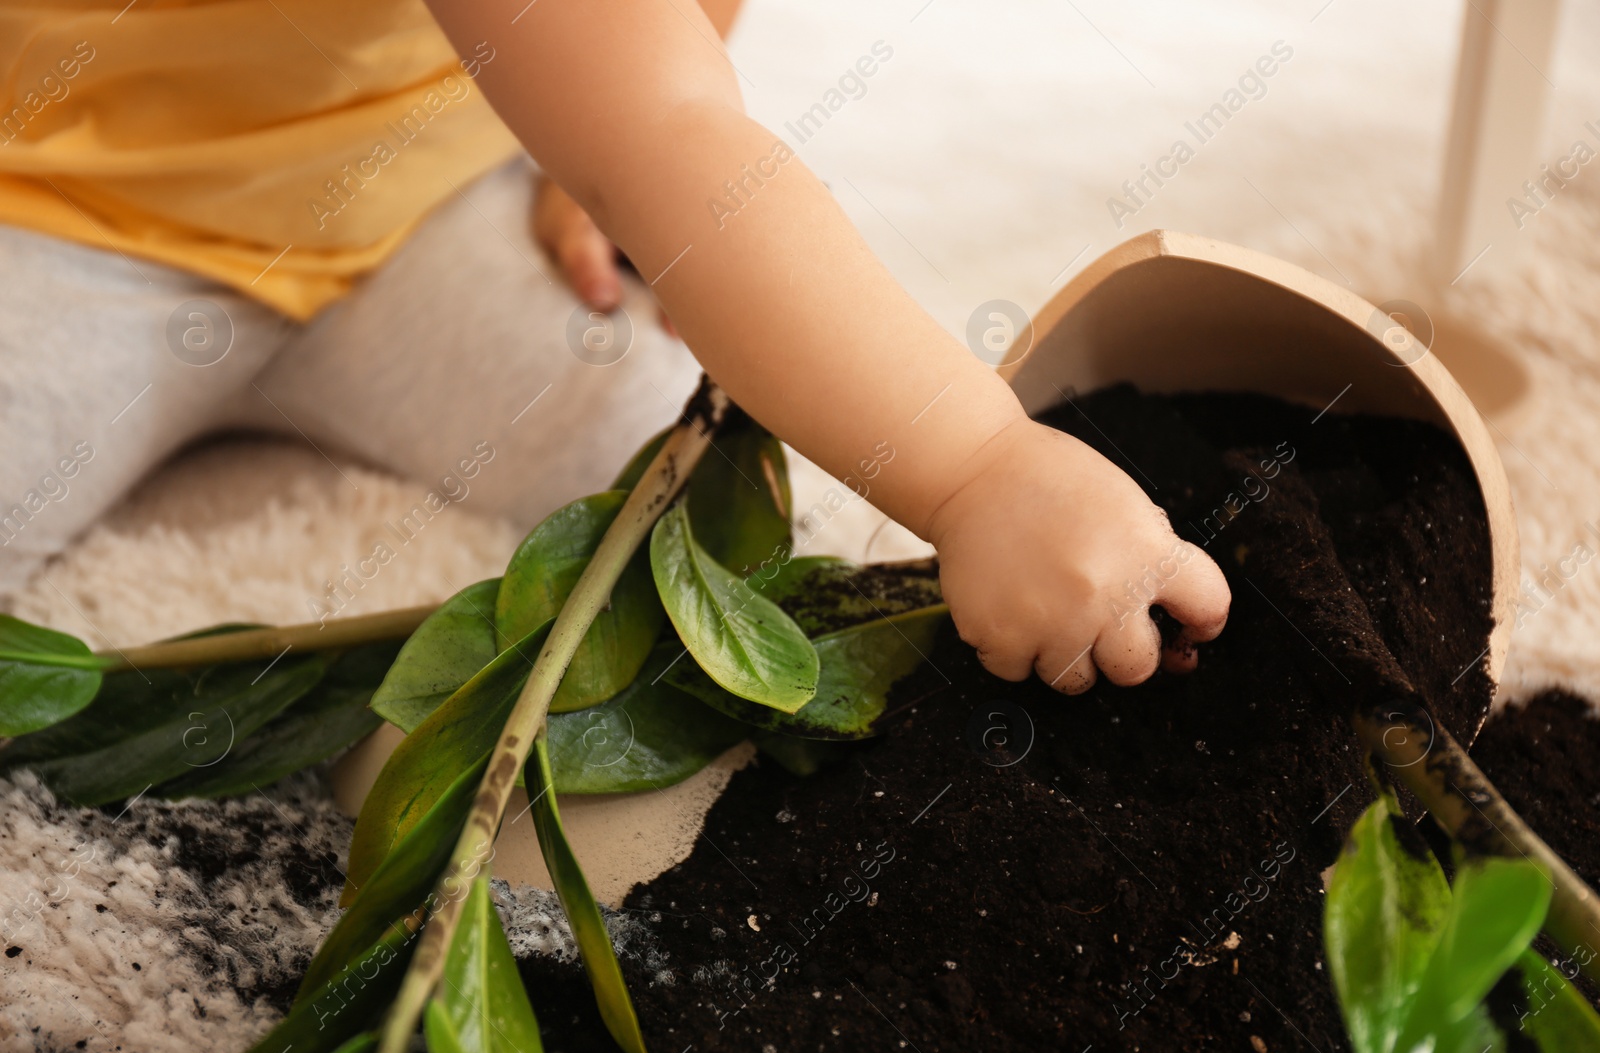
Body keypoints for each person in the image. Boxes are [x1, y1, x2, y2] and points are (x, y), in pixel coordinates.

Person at [0, 0, 1228, 694]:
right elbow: (668, 140)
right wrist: (978, 468)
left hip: (405, 183)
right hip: (54, 205)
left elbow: (657, 80)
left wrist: (574, 156)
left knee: (678, 472)